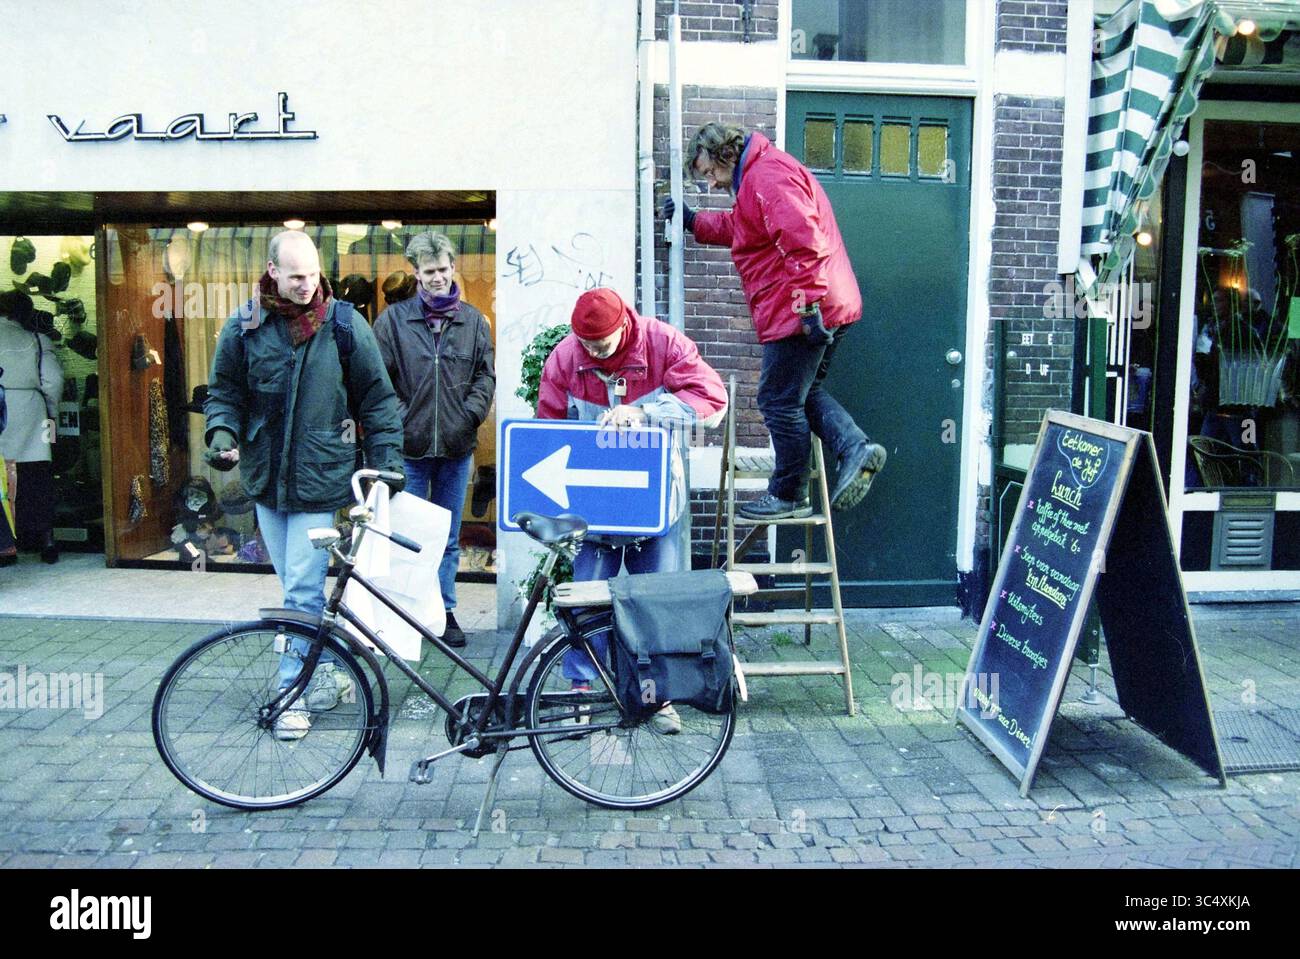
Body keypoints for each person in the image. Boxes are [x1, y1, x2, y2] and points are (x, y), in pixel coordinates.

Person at [205, 230, 404, 739]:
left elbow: (378, 400)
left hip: (321, 479)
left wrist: (386, 464)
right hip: (266, 479)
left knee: (301, 588)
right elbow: (224, 391)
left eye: (312, 274)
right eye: (295, 276)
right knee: (295, 588)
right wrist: (223, 432)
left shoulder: (343, 325)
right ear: (272, 270)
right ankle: (327, 673)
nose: (306, 285)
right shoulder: (244, 326)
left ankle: (290, 696)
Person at [665, 121, 886, 519]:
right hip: (821, 303)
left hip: (802, 309)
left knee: (777, 400)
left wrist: (806, 307)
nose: (713, 184)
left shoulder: (767, 176)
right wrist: (693, 221)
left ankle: (789, 493)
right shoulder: (758, 178)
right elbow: (741, 227)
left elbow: (804, 242)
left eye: (711, 173)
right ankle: (856, 448)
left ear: (724, 155)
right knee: (802, 394)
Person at [537, 287, 727, 732]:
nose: (594, 354)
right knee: (587, 599)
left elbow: (713, 402)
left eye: (601, 345)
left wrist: (644, 412)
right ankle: (582, 691)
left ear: (624, 324)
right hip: (594, 509)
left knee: (654, 602)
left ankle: (656, 697)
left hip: (655, 506)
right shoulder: (565, 359)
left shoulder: (666, 345)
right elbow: (546, 430)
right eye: (586, 345)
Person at [373, 231, 496, 648]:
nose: (438, 278)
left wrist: (470, 416)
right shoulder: (392, 323)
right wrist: (400, 421)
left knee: (446, 535)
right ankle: (406, 613)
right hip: (410, 447)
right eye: (429, 272)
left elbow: (485, 376)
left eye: (444, 269)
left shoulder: (475, 321)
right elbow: (378, 384)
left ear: (453, 267)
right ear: (416, 273)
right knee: (408, 534)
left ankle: (443, 612)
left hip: (456, 447)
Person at [0, 290, 64, 564]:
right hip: (33, 410)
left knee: (1, 478)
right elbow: (52, 382)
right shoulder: (38, 340)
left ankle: (6, 544)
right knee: (38, 476)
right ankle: (45, 538)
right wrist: (52, 417)